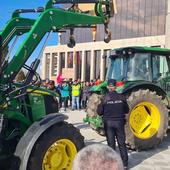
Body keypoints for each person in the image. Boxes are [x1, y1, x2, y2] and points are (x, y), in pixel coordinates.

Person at [97, 79, 129, 169]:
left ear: (107, 87)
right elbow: (127, 110)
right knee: (122, 144)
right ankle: (125, 165)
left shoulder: (104, 98)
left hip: (109, 124)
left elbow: (99, 112)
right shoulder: (122, 97)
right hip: (119, 123)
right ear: (116, 86)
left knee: (111, 145)